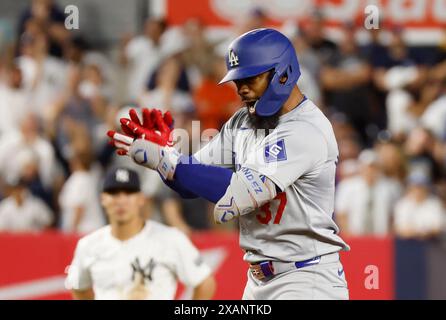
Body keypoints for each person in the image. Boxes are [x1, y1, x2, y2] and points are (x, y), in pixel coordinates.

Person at [108, 28, 349, 300]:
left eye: (251, 78)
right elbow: (190, 183)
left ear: (283, 73)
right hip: (259, 280)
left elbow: (239, 193)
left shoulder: (305, 130)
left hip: (307, 278)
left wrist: (167, 161)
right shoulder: (243, 122)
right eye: (237, 81)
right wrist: (166, 155)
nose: (241, 88)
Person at [65, 167, 215, 300]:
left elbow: (204, 283)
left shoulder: (170, 239)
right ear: (103, 199)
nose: (121, 200)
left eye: (129, 192)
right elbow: (78, 286)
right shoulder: (88, 245)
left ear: (141, 199)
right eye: (114, 193)